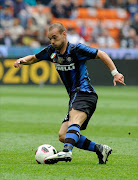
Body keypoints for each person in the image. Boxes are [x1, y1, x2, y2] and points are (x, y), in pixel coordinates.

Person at [14, 23, 125, 164]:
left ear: (64, 34)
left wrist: (115, 73)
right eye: (50, 39)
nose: (52, 41)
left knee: (74, 122)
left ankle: (67, 151)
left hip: (84, 92)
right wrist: (22, 60)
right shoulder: (51, 52)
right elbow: (34, 58)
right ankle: (100, 149)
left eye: (55, 37)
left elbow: (101, 54)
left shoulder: (76, 49)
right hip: (75, 96)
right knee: (63, 135)